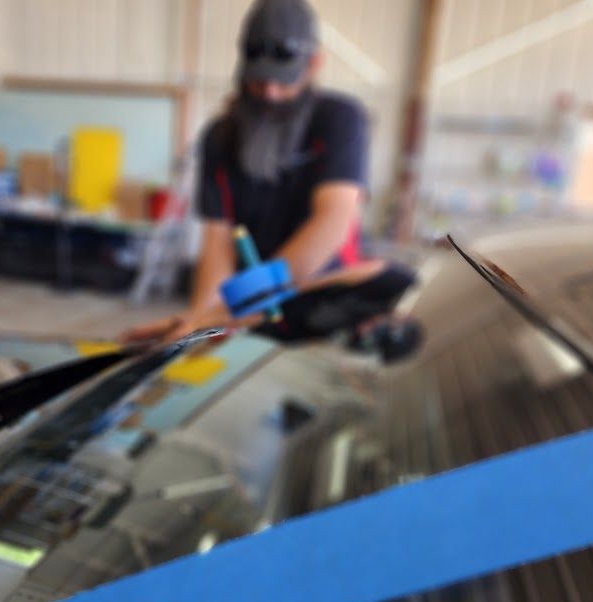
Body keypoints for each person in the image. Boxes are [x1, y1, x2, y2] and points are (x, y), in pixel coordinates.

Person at [121, 0, 413, 344]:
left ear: (313, 64)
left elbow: (332, 223)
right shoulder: (220, 137)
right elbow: (218, 244)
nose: (271, 93)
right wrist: (200, 325)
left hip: (322, 300)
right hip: (253, 310)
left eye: (283, 81)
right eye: (259, 82)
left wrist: (223, 311)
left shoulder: (340, 120)